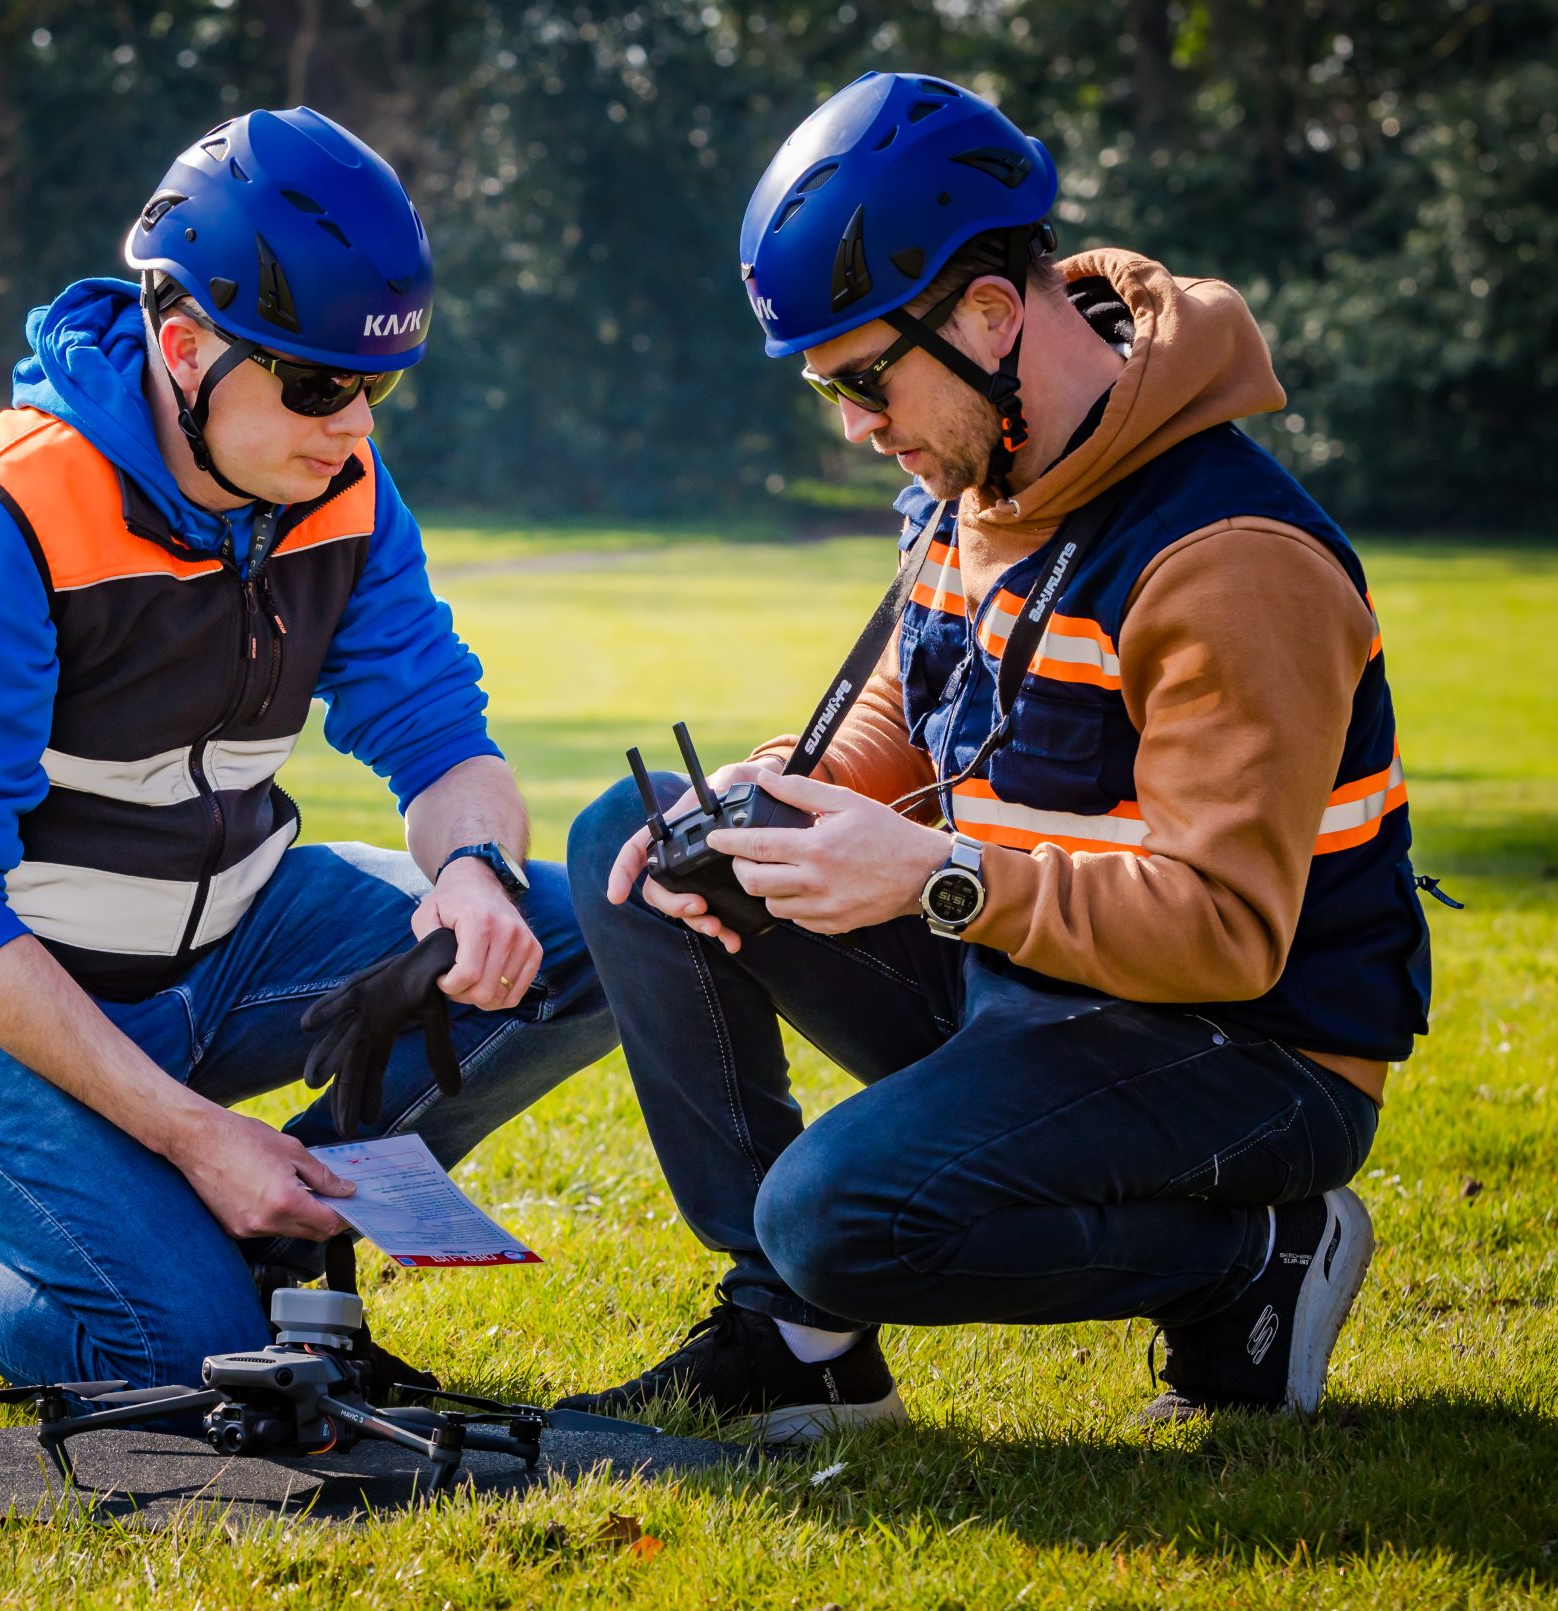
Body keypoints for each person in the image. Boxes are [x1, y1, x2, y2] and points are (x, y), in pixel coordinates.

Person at [561, 72, 1436, 1440]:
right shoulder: (974, 485)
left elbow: (1227, 934)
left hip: (1249, 1052)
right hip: (1037, 971)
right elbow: (908, 725)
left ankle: (1255, 1259)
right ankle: (797, 1338)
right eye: (828, 389)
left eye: (865, 377)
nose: (856, 425)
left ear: (985, 314)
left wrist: (936, 877)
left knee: (836, 1208)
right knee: (638, 832)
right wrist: (766, 802)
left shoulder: (1231, 561)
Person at [0, 107, 615, 1391]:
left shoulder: (338, 483)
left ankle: (282, 1229)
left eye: (376, 386)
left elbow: (433, 731)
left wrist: (472, 871)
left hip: (232, 936)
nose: (353, 424)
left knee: (588, 945)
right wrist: (193, 1137)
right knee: (182, 1355)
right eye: (312, 383)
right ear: (183, 345)